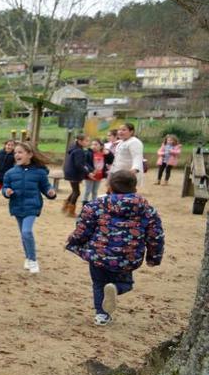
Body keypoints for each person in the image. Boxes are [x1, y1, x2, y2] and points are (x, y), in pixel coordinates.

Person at [66, 171, 164, 326]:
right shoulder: (147, 209)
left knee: (99, 283)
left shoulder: (96, 206)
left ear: (110, 186)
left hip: (99, 255)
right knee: (126, 284)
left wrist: (73, 241)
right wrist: (154, 257)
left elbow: (83, 229)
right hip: (127, 256)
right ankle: (117, 288)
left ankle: (101, 316)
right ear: (134, 187)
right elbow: (155, 236)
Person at [2, 142, 57, 274]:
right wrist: (6, 191)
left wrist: (50, 192)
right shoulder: (10, 173)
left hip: (32, 206)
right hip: (16, 206)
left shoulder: (40, 172)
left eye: (20, 152)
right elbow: (5, 187)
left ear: (30, 155)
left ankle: (32, 260)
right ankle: (27, 257)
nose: (17, 155)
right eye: (15, 153)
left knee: (27, 232)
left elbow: (46, 187)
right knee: (23, 234)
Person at [62, 134, 92, 217]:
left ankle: (66, 205)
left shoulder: (75, 148)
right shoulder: (79, 151)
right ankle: (70, 211)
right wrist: (87, 172)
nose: (88, 142)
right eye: (86, 141)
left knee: (75, 190)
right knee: (77, 192)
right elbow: (79, 164)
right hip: (73, 173)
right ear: (80, 141)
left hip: (71, 172)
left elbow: (82, 163)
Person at [83, 139, 114, 204]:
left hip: (99, 175)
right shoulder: (88, 153)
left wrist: (108, 153)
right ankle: (85, 205)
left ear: (101, 146)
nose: (93, 146)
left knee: (95, 191)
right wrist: (91, 170)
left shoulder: (103, 154)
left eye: (96, 144)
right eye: (92, 144)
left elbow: (111, 160)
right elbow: (85, 163)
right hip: (90, 175)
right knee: (87, 191)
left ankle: (94, 204)